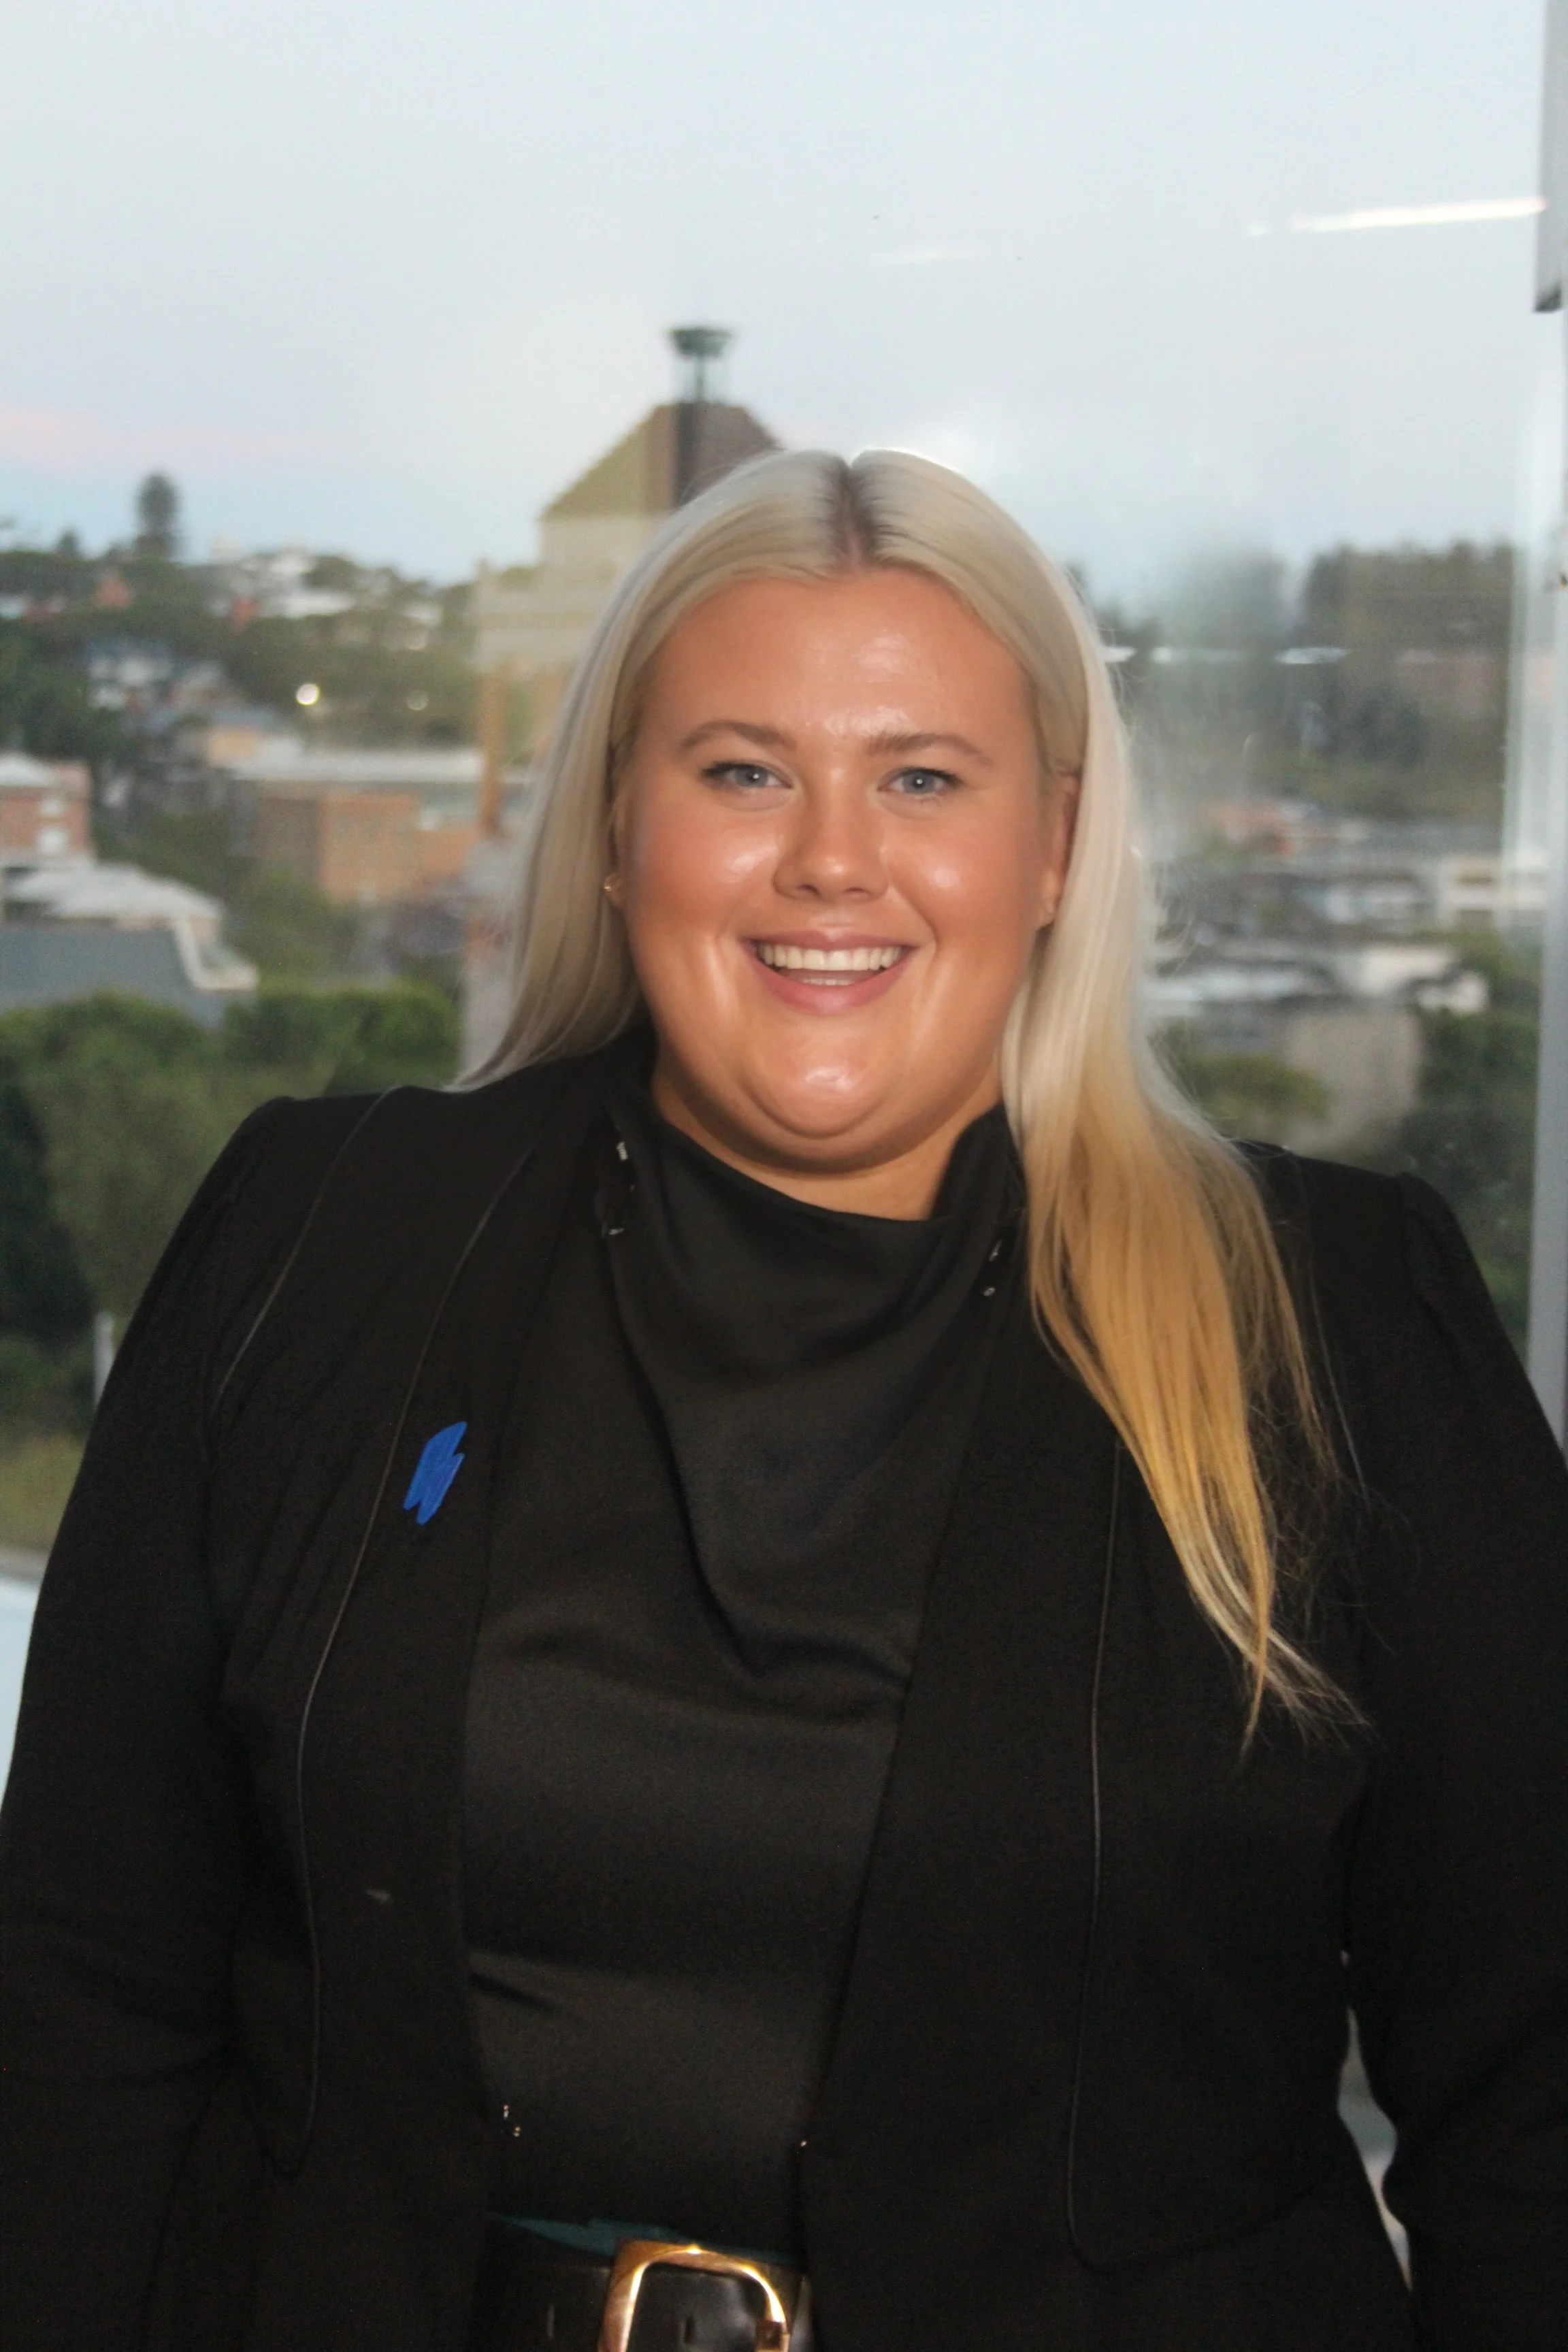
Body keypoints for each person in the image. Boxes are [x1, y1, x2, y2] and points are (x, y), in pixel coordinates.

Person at [1, 451, 1565, 2352]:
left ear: (1055, 843)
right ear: (612, 825)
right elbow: (82, 1995)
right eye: (744, 771)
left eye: (923, 777)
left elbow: (1532, 2096)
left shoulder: (1333, 1328)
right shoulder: (319, 1238)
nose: (834, 858)